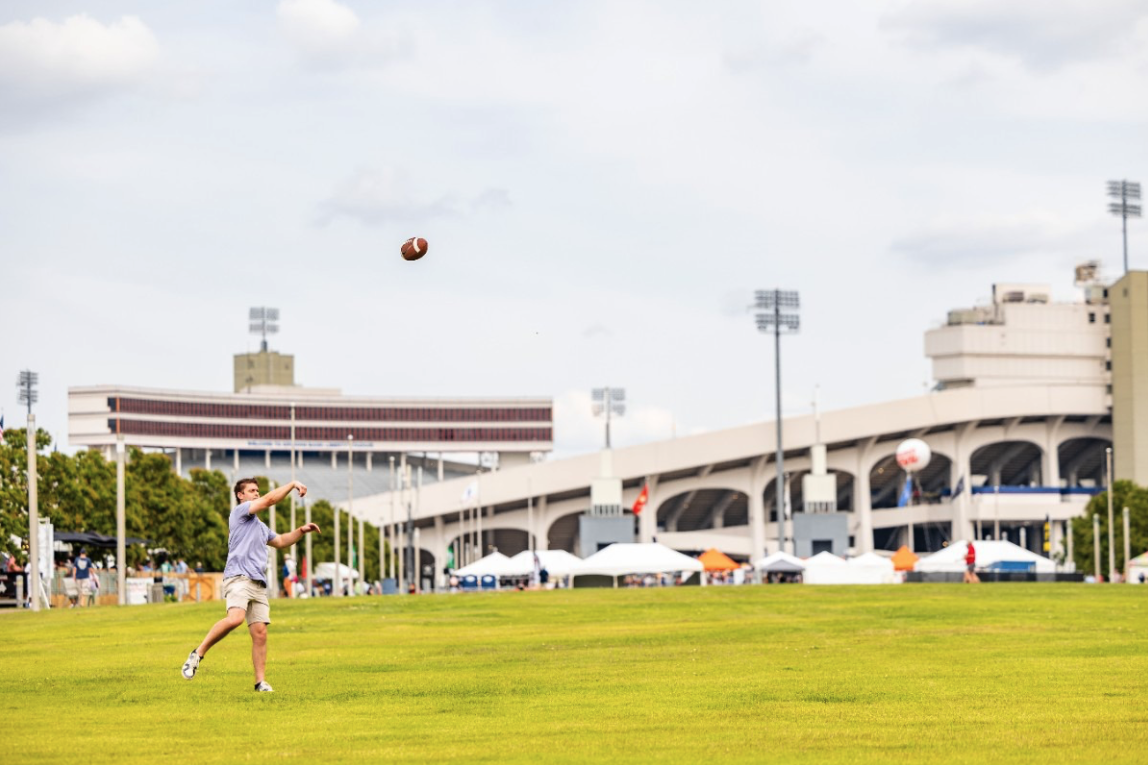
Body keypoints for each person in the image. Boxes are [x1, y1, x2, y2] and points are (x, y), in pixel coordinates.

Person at [181, 478, 319, 692]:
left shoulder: (260, 527)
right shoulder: (240, 513)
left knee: (260, 632)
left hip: (257, 582)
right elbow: (270, 500)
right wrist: (292, 485)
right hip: (238, 577)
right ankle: (197, 653)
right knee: (235, 618)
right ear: (241, 495)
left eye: (257, 490)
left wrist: (301, 530)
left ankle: (260, 682)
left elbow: (281, 541)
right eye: (252, 491)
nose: (256, 493)